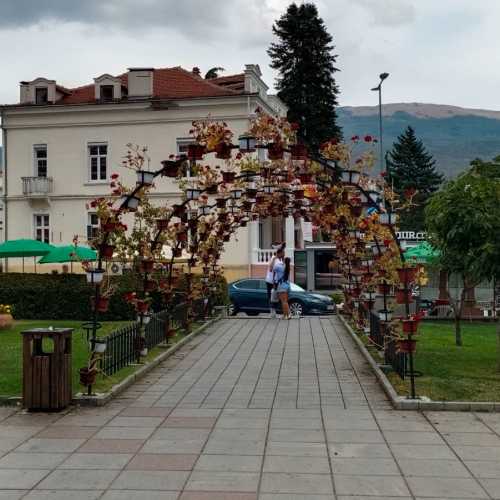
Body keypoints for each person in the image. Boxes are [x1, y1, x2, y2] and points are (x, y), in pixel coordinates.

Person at [266, 244, 284, 318]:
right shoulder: (274, 258)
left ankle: (274, 312)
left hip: (276, 281)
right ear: (279, 253)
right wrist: (274, 259)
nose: (283, 254)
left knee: (276, 297)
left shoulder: (280, 260)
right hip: (271, 281)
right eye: (282, 253)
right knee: (272, 296)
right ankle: (272, 312)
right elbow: (271, 269)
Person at [274, 255, 291, 320]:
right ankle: (288, 315)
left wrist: (275, 259)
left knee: (283, 302)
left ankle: (286, 315)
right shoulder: (288, 267)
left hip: (281, 286)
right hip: (287, 285)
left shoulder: (280, 266)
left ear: (284, 260)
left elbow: (274, 268)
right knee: (285, 301)